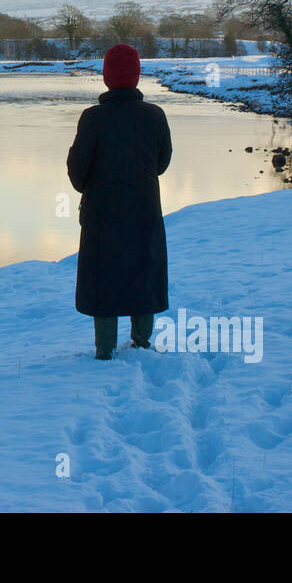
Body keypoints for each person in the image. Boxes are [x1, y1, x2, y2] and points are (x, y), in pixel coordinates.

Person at [66, 43, 173, 359]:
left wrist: (89, 188)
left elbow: (77, 171)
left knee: (104, 276)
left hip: (103, 214)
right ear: (137, 76)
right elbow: (162, 164)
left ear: (106, 78)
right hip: (144, 210)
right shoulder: (155, 116)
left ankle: (104, 349)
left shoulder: (92, 119)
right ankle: (141, 342)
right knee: (144, 271)